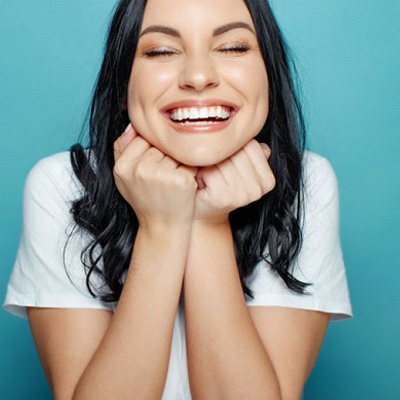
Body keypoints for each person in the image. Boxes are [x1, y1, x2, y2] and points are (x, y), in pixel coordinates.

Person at [4, 0, 352, 398]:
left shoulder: (305, 183)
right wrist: (162, 228)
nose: (199, 76)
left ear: (269, 74)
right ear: (122, 87)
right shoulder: (65, 185)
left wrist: (208, 223)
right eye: (160, 51)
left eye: (233, 48)